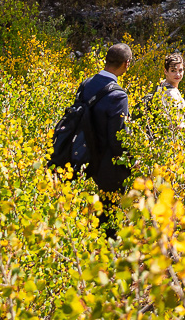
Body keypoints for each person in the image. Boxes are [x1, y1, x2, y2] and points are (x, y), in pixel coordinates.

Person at [77, 42, 132, 236]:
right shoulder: (118, 96)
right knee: (109, 220)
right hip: (106, 168)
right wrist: (130, 163)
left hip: (82, 159)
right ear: (126, 64)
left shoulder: (86, 84)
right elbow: (118, 139)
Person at [157, 52, 185, 127]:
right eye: (173, 71)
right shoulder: (171, 94)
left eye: (180, 70)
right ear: (166, 71)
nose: (177, 74)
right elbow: (173, 125)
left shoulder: (161, 85)